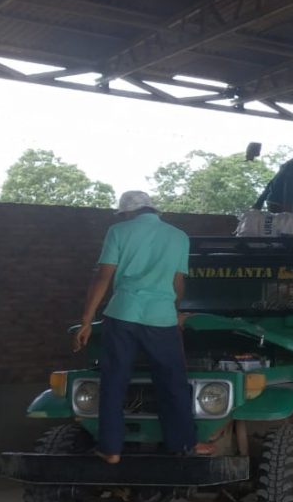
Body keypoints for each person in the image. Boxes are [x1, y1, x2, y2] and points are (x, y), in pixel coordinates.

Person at [73, 191, 207, 463]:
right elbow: (177, 282)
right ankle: (183, 443)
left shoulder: (118, 231)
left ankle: (110, 448)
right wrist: (175, 312)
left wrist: (86, 320)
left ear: (129, 213)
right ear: (152, 209)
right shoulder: (179, 236)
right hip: (161, 318)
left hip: (123, 314)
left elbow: (103, 277)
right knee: (172, 381)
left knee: (114, 380)